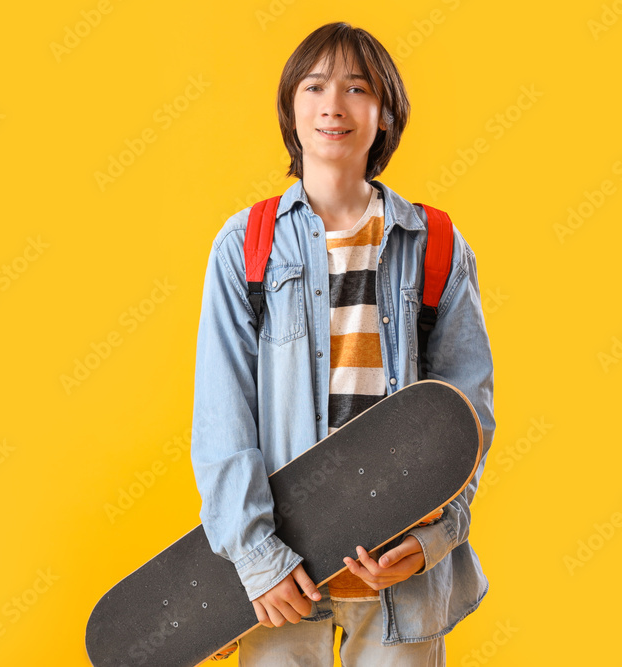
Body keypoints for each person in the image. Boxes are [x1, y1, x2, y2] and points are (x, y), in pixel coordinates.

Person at [190, 21, 495, 666]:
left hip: (399, 577)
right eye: (315, 86)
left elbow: (468, 416)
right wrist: (257, 557)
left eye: (358, 88)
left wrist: (435, 538)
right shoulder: (245, 246)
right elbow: (222, 420)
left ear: (385, 114)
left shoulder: (437, 246)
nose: (334, 105)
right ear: (290, 108)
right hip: (282, 580)